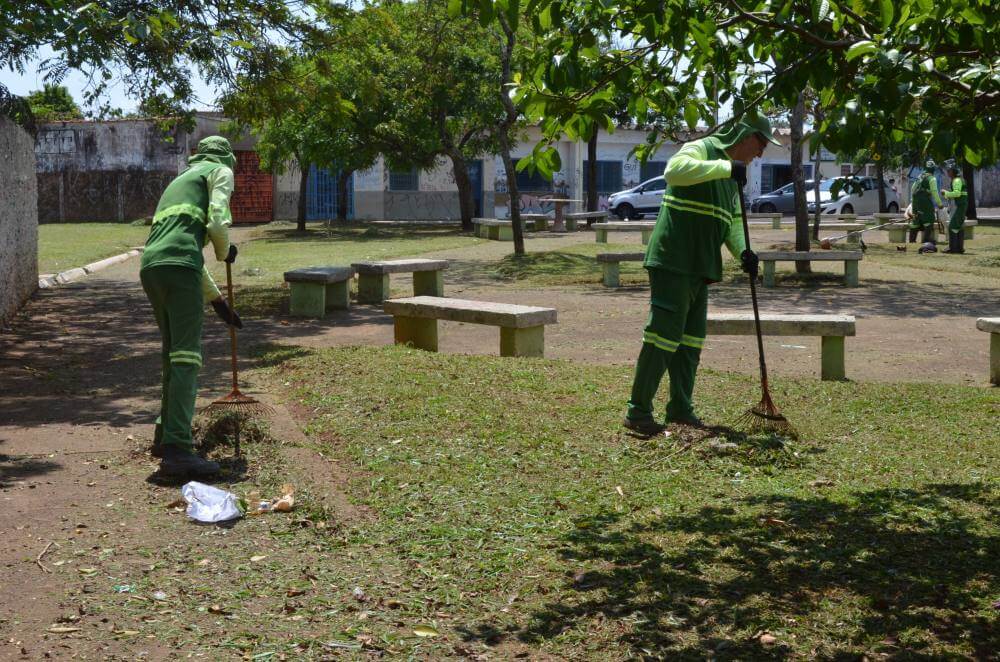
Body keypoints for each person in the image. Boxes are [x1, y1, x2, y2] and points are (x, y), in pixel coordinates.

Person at [623, 115, 779, 435]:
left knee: (691, 341)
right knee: (663, 335)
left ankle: (680, 409)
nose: (761, 153)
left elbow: (732, 220)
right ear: (745, 135)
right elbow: (674, 171)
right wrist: (725, 168)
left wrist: (744, 251)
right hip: (674, 258)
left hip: (701, 266)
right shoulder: (702, 149)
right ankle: (638, 412)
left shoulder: (733, 175)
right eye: (761, 143)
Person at [140, 135, 243, 477]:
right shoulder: (220, 171)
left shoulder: (182, 179)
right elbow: (217, 221)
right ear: (227, 159)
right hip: (180, 267)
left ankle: (165, 434)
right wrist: (224, 251)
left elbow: (180, 250)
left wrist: (218, 302)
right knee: (186, 358)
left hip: (152, 268)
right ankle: (179, 451)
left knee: (172, 355)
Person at [909, 160, 943, 247]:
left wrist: (913, 200)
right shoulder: (932, 178)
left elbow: (913, 188)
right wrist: (939, 204)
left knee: (916, 218)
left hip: (915, 200)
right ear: (933, 169)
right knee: (929, 217)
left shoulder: (920, 176)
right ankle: (926, 239)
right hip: (924, 201)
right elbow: (934, 192)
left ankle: (912, 240)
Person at [941, 165, 967, 254]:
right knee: (959, 226)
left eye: (949, 170)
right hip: (960, 205)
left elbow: (957, 193)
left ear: (953, 171)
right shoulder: (959, 180)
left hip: (959, 206)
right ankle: (960, 248)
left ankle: (953, 248)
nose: (947, 172)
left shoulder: (956, 180)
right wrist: (947, 195)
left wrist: (946, 192)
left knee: (952, 226)